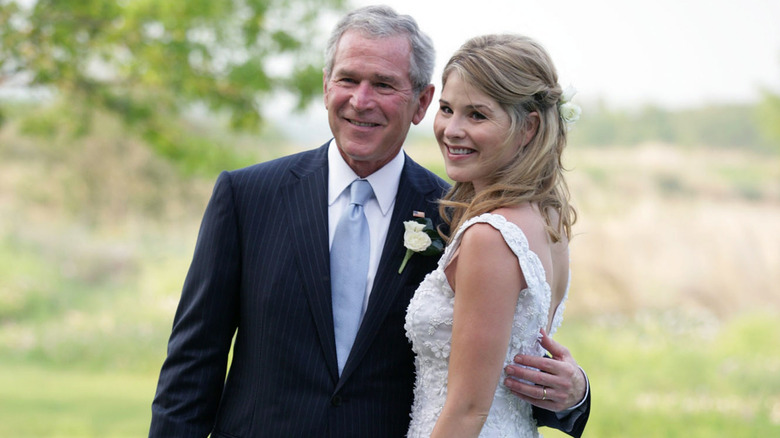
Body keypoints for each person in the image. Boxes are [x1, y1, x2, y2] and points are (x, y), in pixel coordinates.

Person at [149, 6, 588, 438]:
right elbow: (192, 365)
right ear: (325, 87)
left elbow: (495, 380)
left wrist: (575, 395)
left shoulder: (459, 217)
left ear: (420, 103)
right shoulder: (246, 197)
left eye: (383, 84)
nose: (361, 101)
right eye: (348, 79)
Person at [405, 33, 587, 437]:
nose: (452, 130)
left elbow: (469, 410)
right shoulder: (548, 217)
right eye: (447, 109)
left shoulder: (491, 235)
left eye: (477, 115)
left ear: (529, 127)